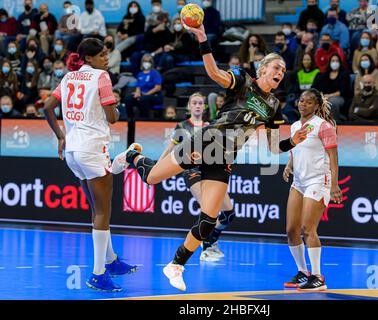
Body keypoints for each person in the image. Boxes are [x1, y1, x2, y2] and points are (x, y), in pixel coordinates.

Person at [111, 24, 308, 291]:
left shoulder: (274, 106)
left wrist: (292, 142)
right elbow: (214, 72)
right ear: (263, 69)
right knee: (153, 177)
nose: (280, 73)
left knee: (209, 219)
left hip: (225, 156)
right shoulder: (243, 81)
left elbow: (273, 147)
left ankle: (176, 265)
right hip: (207, 141)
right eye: (277, 68)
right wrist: (203, 37)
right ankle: (133, 156)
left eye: (283, 71)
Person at [43, 38, 137, 292]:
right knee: (103, 211)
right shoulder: (101, 77)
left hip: (73, 149)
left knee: (96, 209)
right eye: (103, 55)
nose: (106, 59)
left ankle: (111, 260)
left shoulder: (68, 77)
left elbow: (47, 107)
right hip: (92, 147)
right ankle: (98, 274)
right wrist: (118, 109)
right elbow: (112, 118)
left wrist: (61, 136)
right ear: (91, 58)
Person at [159, 93, 236, 261]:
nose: (198, 106)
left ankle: (211, 240)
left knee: (229, 213)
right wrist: (158, 167)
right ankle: (207, 248)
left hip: (211, 171)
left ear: (205, 106)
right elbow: (170, 149)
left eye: (200, 103)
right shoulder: (182, 126)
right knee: (210, 211)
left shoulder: (210, 126)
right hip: (192, 172)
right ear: (189, 106)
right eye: (194, 103)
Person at [283, 88, 342, 290]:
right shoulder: (294, 126)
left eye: (308, 102)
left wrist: (334, 185)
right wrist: (289, 165)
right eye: (301, 101)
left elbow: (334, 157)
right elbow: (295, 149)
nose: (303, 104)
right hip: (299, 181)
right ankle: (302, 272)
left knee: (308, 229)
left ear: (316, 106)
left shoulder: (323, 126)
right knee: (291, 230)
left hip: (318, 180)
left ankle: (318, 277)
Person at [312, 54, 352, 121]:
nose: (335, 63)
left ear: (340, 63)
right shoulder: (325, 74)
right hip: (325, 96)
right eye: (333, 61)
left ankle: (334, 122)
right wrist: (322, 96)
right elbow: (319, 88)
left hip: (340, 97)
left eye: (337, 61)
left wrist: (329, 95)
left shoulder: (344, 74)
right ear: (329, 63)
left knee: (331, 102)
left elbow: (344, 90)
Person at [124, 54, 163, 119]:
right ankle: (130, 119)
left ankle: (144, 119)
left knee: (143, 99)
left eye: (148, 61)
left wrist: (146, 94)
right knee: (128, 99)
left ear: (151, 63)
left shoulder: (155, 73)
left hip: (154, 95)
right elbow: (138, 87)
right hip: (142, 95)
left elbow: (158, 87)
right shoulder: (140, 74)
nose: (146, 63)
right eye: (145, 61)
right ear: (142, 62)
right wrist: (137, 93)